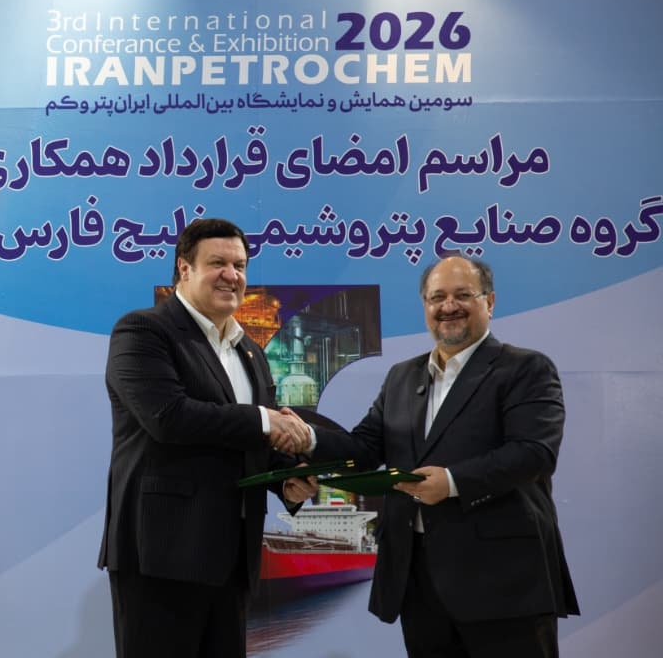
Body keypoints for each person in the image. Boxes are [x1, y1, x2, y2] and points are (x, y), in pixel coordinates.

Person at [286, 254, 579, 657]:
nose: (448, 306)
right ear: (425, 305)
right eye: (437, 297)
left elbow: (534, 453)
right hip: (419, 580)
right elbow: (364, 449)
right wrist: (308, 439)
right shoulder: (402, 376)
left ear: (490, 302)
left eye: (463, 295)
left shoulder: (526, 368)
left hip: (503, 580)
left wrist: (453, 483)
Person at [97, 217, 317, 658]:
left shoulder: (249, 350)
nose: (231, 275)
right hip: (161, 556)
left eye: (240, 265)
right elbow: (169, 418)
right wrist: (265, 420)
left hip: (232, 560)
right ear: (184, 268)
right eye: (218, 263)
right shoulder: (143, 331)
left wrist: (286, 479)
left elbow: (247, 440)